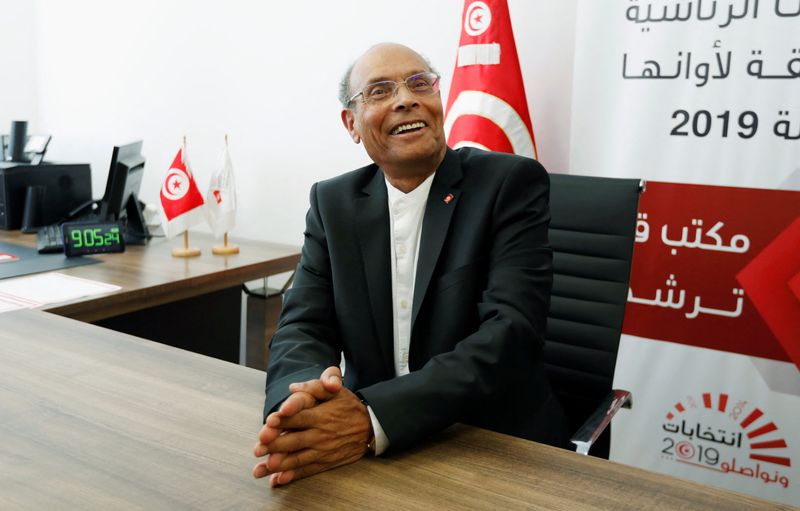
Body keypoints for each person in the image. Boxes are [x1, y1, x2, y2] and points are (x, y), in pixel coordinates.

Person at [253, 42, 567, 487]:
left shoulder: (509, 184)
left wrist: (372, 418)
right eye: (380, 91)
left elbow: (511, 334)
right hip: (365, 449)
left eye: (420, 84)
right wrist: (299, 409)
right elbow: (303, 325)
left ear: (438, 100)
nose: (405, 99)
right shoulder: (332, 202)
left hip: (489, 444)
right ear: (351, 123)